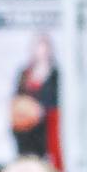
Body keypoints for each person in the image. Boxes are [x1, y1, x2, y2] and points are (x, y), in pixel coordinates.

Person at [10, 34, 59, 162]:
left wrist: (40, 110)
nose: (41, 50)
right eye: (38, 46)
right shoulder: (25, 72)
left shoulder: (55, 73)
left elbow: (56, 98)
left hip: (45, 126)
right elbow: (17, 96)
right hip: (25, 126)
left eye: (44, 46)